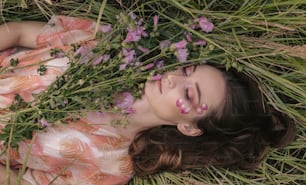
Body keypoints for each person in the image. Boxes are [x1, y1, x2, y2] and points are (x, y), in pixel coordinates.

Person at [0, 16, 296, 185]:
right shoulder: (108, 46)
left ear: (189, 128)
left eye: (188, 93)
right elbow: (19, 32)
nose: (172, 78)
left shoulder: (112, 168)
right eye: (185, 69)